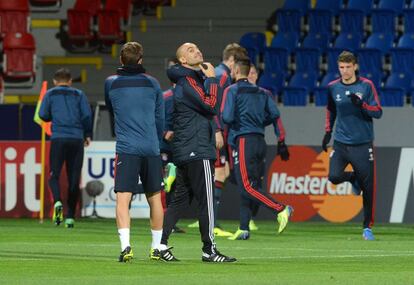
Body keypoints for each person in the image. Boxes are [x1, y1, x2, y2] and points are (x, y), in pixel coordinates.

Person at [159, 42, 236, 263]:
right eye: (190, 50)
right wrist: (212, 79)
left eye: (197, 48)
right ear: (183, 60)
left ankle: (160, 245)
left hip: (187, 148)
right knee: (207, 201)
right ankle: (209, 250)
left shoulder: (188, 80)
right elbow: (211, 106)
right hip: (197, 148)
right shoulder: (188, 81)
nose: (197, 51)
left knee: (180, 201)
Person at [105, 42, 165, 262]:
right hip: (151, 147)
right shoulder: (153, 83)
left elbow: (113, 111)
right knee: (155, 198)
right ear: (141, 60)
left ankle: (126, 247)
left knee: (123, 198)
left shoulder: (111, 83)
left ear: (121, 60)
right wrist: (157, 142)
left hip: (127, 148)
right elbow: (160, 117)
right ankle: (156, 247)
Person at [222, 57, 292, 240]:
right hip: (260, 141)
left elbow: (227, 118)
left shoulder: (232, 90)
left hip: (243, 140)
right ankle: (244, 228)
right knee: (251, 184)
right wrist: (280, 139)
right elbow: (274, 115)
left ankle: (281, 208)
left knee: (246, 186)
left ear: (236, 71)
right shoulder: (263, 93)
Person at [321, 51, 382, 241]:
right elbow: (331, 110)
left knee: (368, 187)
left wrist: (363, 105)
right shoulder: (332, 87)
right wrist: (327, 132)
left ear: (355, 66)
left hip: (363, 144)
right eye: (341, 67)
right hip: (340, 142)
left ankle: (367, 227)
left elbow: (378, 112)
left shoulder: (366, 85)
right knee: (334, 176)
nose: (345, 71)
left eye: (348, 67)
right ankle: (352, 178)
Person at [39, 67, 92, 228]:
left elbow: (43, 115)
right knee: (74, 178)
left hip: (59, 138)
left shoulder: (50, 94)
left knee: (54, 174)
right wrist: (87, 134)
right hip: (76, 139)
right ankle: (70, 217)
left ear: (55, 81)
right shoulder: (79, 94)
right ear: (70, 81)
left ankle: (57, 202)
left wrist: (53, 115)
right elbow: (87, 115)